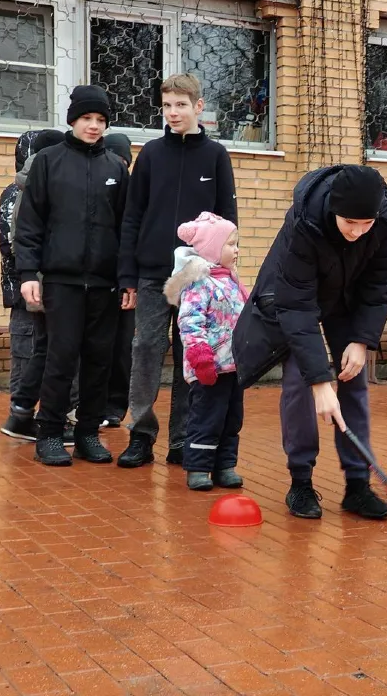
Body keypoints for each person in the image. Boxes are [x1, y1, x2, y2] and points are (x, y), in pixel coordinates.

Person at [233, 165, 387, 520]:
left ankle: (357, 486)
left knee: (354, 383)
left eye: (364, 224)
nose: (357, 232)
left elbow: (378, 287)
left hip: (346, 300)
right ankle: (301, 482)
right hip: (295, 298)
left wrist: (361, 339)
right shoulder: (303, 224)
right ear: (334, 210)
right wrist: (321, 381)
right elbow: (296, 306)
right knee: (299, 382)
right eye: (349, 223)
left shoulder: (384, 224)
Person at [117, 73, 237, 468]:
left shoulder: (216, 156)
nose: (172, 113)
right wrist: (127, 276)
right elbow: (132, 216)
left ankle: (183, 440)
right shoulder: (150, 154)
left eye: (181, 105)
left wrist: (223, 273)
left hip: (198, 277)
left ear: (198, 107)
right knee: (147, 349)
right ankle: (141, 435)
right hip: (152, 273)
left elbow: (227, 221)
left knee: (192, 354)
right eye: (167, 105)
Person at [14, 85, 130, 466]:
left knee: (99, 360)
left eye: (100, 120)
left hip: (104, 283)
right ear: (73, 120)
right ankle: (48, 432)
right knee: (60, 358)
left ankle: (87, 434)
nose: (94, 126)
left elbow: (126, 228)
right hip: (60, 282)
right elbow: (29, 224)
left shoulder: (116, 167)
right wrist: (29, 273)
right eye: (87, 118)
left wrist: (127, 278)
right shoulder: (48, 161)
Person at [0, 129, 74, 444]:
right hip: (33, 286)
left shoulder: (32, 184)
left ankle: (25, 413)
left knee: (43, 349)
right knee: (37, 351)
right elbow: (15, 241)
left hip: (37, 283)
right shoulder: (24, 189)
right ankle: (26, 415)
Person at [164, 213, 247, 491]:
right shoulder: (198, 282)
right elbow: (189, 322)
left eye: (237, 244)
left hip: (233, 367)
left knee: (232, 418)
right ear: (212, 248)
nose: (236, 250)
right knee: (206, 417)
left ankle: (225, 465)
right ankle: (198, 467)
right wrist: (201, 359)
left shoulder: (231, 280)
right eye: (230, 244)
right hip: (209, 368)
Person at [0, 130, 38, 438]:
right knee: (25, 351)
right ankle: (19, 414)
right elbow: (14, 246)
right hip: (22, 290)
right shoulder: (16, 192)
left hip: (30, 287)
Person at [101, 133, 135, 428]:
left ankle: (115, 404)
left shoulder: (134, 192)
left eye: (122, 161)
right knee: (98, 345)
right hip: (98, 280)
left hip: (126, 282)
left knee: (123, 347)